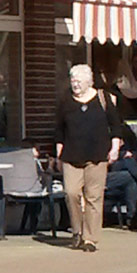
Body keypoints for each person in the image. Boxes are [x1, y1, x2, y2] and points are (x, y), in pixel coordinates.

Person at [55, 63, 120, 253]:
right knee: (71, 193)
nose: (75, 84)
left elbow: (116, 126)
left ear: (88, 82)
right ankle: (77, 231)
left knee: (94, 197)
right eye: (73, 80)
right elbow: (59, 130)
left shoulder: (102, 98)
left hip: (97, 155)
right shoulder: (66, 101)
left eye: (79, 81)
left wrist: (115, 148)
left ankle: (90, 238)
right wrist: (58, 154)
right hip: (71, 155)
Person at [105, 143, 137, 230]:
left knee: (131, 173)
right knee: (129, 175)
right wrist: (121, 154)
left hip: (112, 173)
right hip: (100, 176)